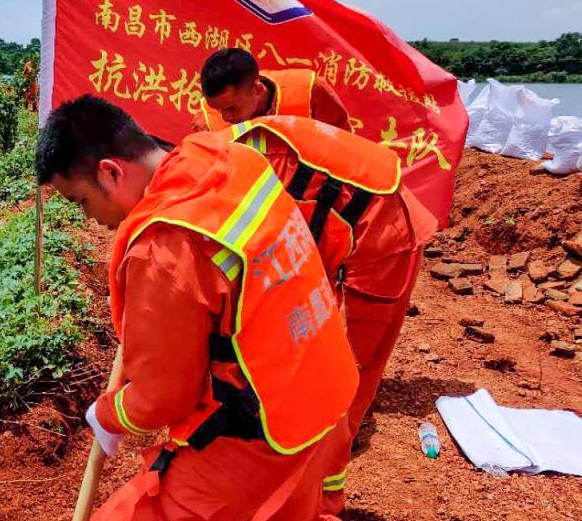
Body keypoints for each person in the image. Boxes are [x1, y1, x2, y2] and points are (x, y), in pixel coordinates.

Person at [36, 95, 358, 521]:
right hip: (324, 389)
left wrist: (108, 413)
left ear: (110, 172)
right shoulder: (228, 156)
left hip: (267, 431)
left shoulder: (165, 247)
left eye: (80, 201)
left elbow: (163, 397)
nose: (90, 218)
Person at [203, 117, 437, 515]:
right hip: (337, 227)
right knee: (310, 347)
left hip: (386, 238)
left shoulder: (256, 165)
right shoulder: (232, 152)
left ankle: (326, 493)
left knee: (350, 375)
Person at [194, 48, 351, 133]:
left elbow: (344, 145)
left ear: (257, 88)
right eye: (219, 109)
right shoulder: (207, 120)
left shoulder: (310, 91)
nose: (225, 117)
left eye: (230, 108)